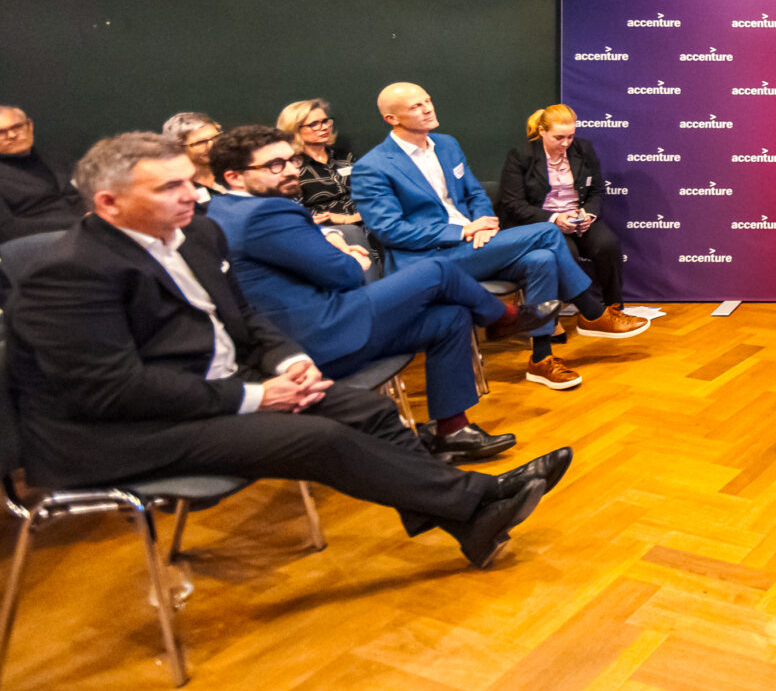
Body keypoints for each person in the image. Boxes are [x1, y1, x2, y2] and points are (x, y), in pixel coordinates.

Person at [4, 132, 572, 568]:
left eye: (189, 181)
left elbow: (246, 315)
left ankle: (470, 519)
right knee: (320, 437)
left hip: (219, 389)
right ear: (109, 203)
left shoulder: (196, 233)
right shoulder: (69, 274)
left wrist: (289, 360)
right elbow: (113, 391)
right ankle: (482, 497)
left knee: (371, 411)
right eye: (168, 188)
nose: (193, 194)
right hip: (126, 430)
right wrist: (256, 396)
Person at [206, 126, 550, 463]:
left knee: (450, 317)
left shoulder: (221, 210)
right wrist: (350, 256)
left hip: (304, 338)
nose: (291, 171)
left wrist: (331, 239)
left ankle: (452, 431)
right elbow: (343, 274)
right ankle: (503, 317)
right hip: (322, 336)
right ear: (234, 176)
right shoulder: (267, 213)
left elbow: (304, 252)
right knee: (437, 271)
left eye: (291, 160)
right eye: (274, 165)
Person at [349, 83, 648, 393]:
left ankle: (541, 359)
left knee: (541, 259)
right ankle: (593, 311)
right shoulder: (373, 167)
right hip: (429, 261)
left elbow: (475, 193)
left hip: (475, 245)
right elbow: (390, 230)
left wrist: (486, 225)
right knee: (548, 231)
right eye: (415, 106)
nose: (427, 108)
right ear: (391, 118)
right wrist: (462, 230)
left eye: (427, 100)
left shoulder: (447, 144)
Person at [498, 105, 625, 312]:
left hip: (578, 217)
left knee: (607, 244)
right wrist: (555, 218)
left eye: (570, 137)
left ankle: (614, 308)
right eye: (559, 138)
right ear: (542, 131)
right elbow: (514, 203)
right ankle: (559, 313)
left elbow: (597, 191)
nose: (565, 143)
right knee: (566, 252)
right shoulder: (522, 155)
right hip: (542, 223)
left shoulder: (584, 150)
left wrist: (588, 214)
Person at [0, 105, 85, 242]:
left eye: (17, 127)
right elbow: (7, 229)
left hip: (92, 223)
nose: (12, 135)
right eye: (1, 132)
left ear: (29, 126)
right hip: (44, 239)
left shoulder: (56, 157)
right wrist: (80, 223)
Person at [276, 98, 364, 224]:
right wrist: (344, 220)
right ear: (294, 129)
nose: (324, 127)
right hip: (324, 228)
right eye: (314, 124)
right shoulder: (290, 167)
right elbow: (290, 212)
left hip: (365, 219)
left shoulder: (345, 157)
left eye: (325, 121)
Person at [163, 112, 225, 208]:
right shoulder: (171, 186)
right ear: (177, 147)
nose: (211, 146)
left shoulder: (236, 171)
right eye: (200, 142)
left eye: (215, 137)